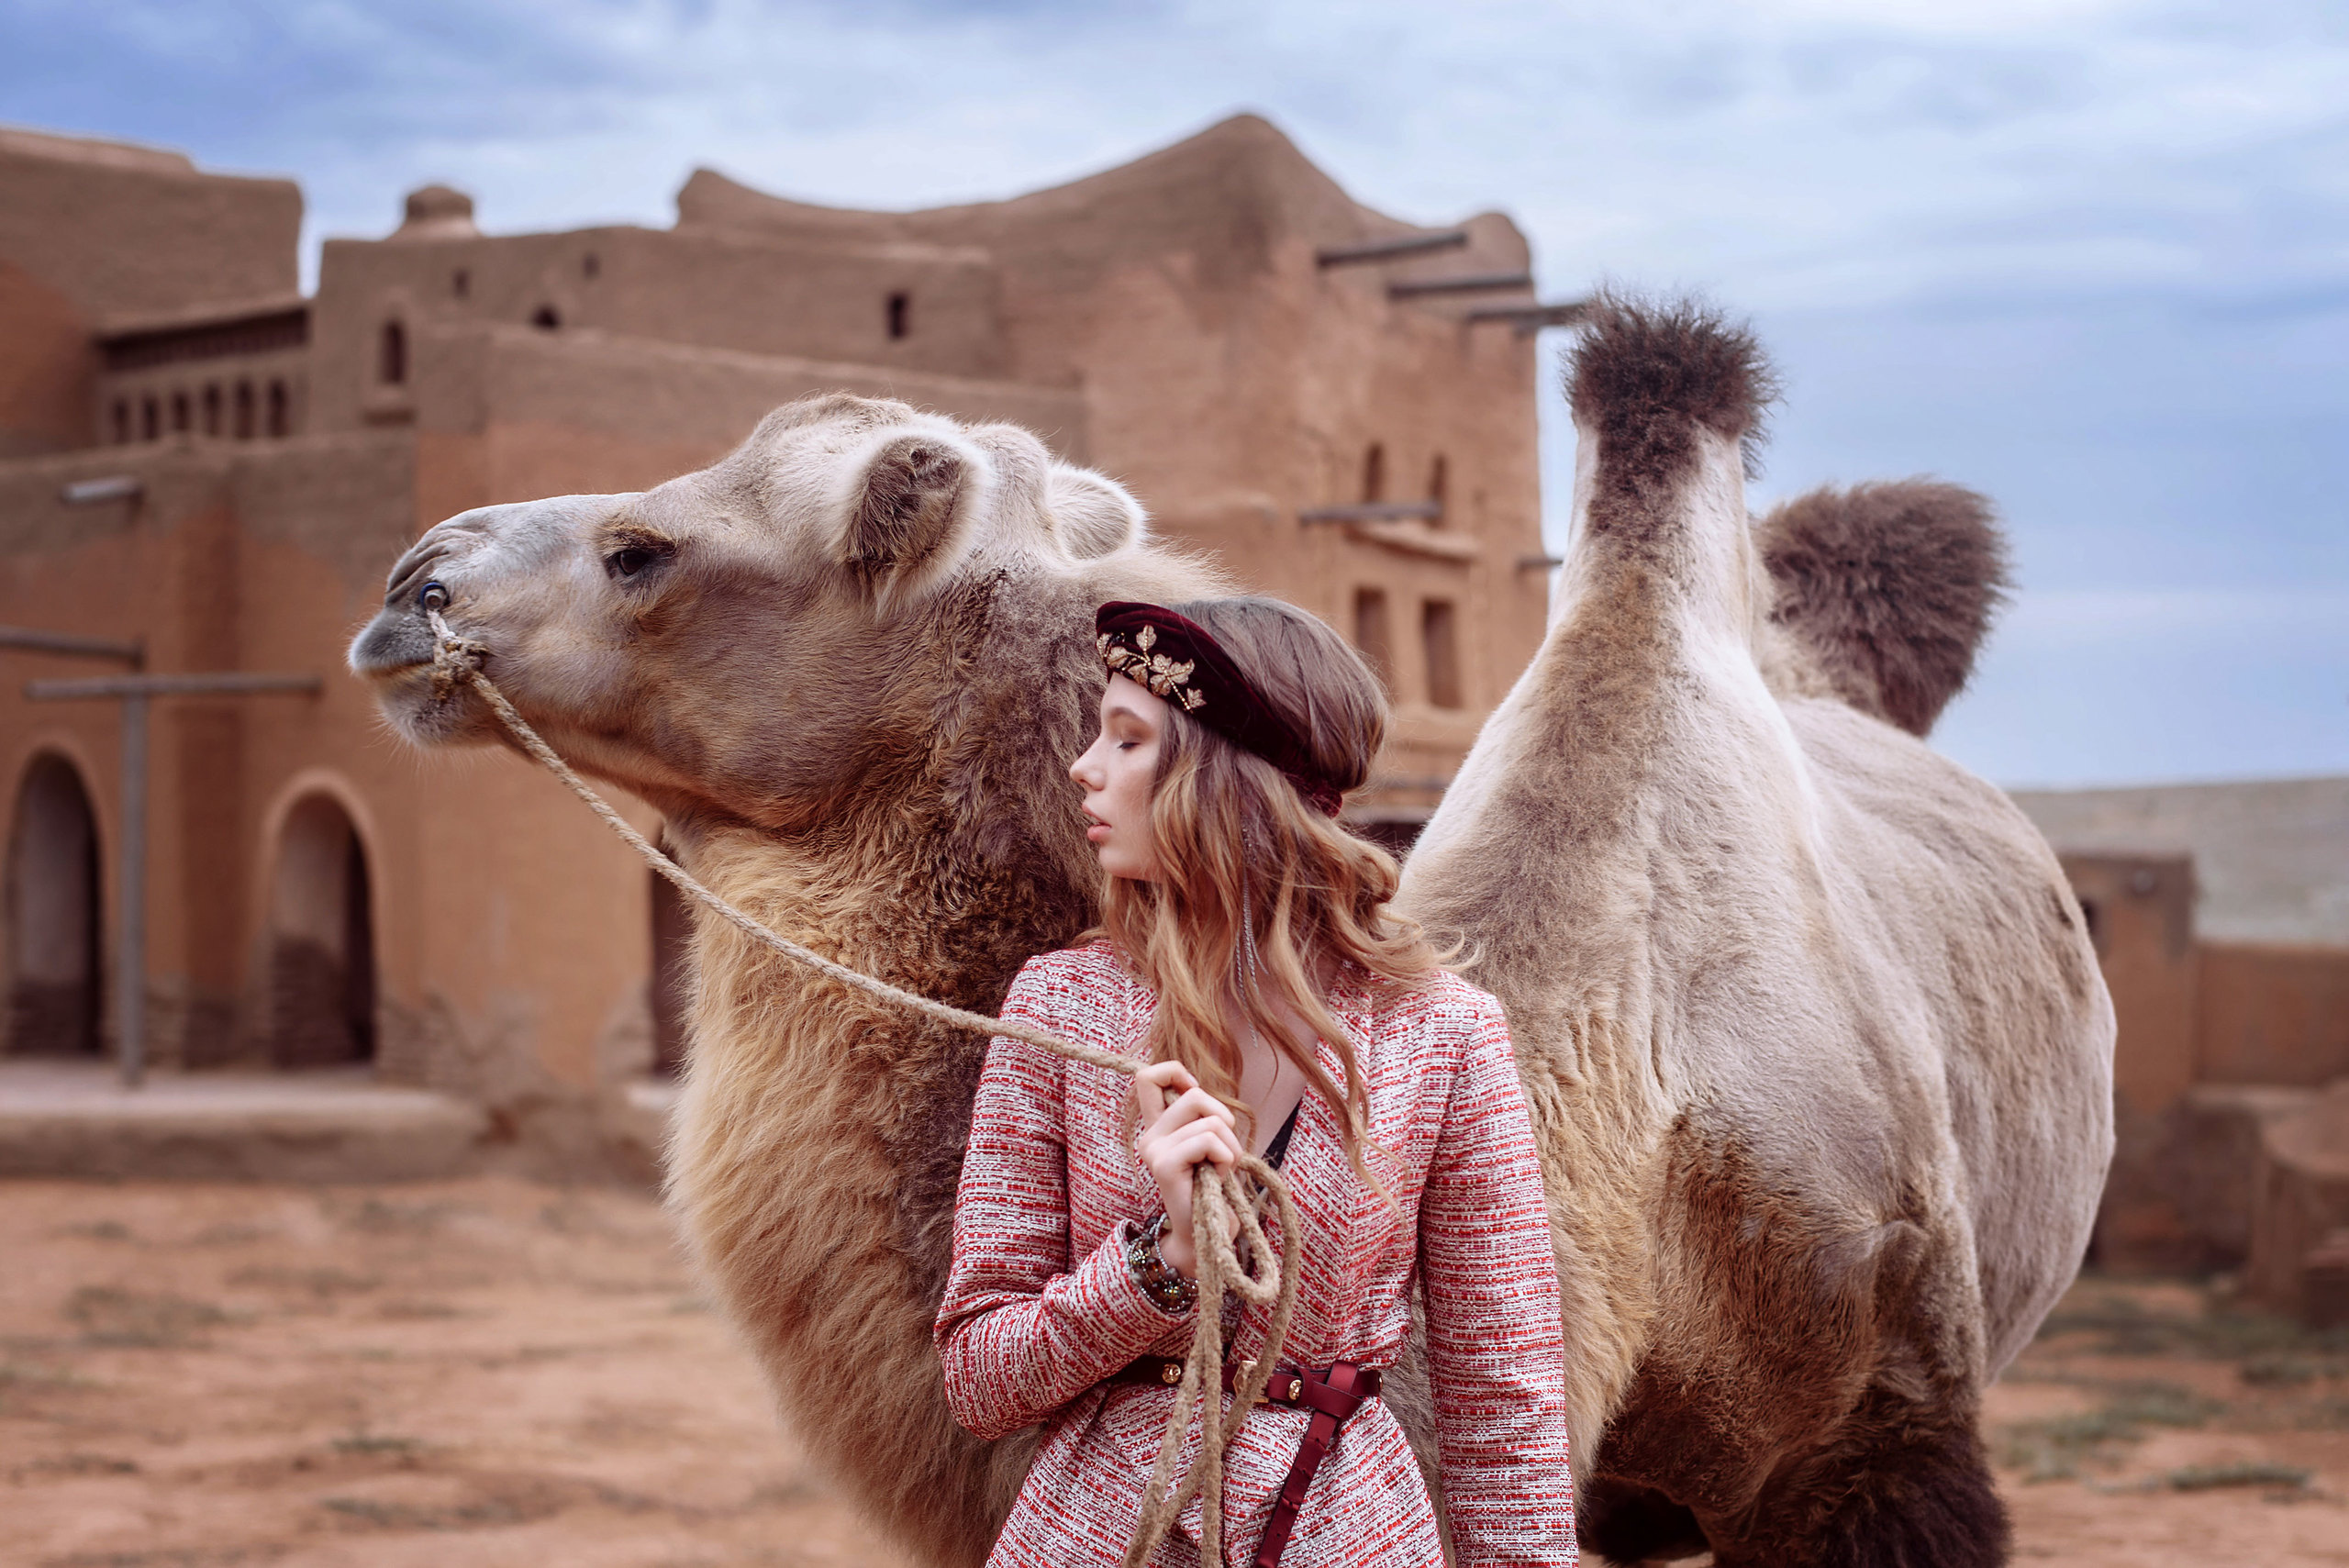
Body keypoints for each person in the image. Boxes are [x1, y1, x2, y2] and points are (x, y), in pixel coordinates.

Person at [934, 596, 1575, 1568]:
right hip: (1100, 1537)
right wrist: (1161, 1259)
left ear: (1224, 778)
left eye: (1128, 738)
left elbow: (1505, 1403)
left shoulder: (1443, 1034)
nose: (1085, 766)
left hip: (1345, 1532)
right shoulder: (1058, 1007)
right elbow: (981, 1380)